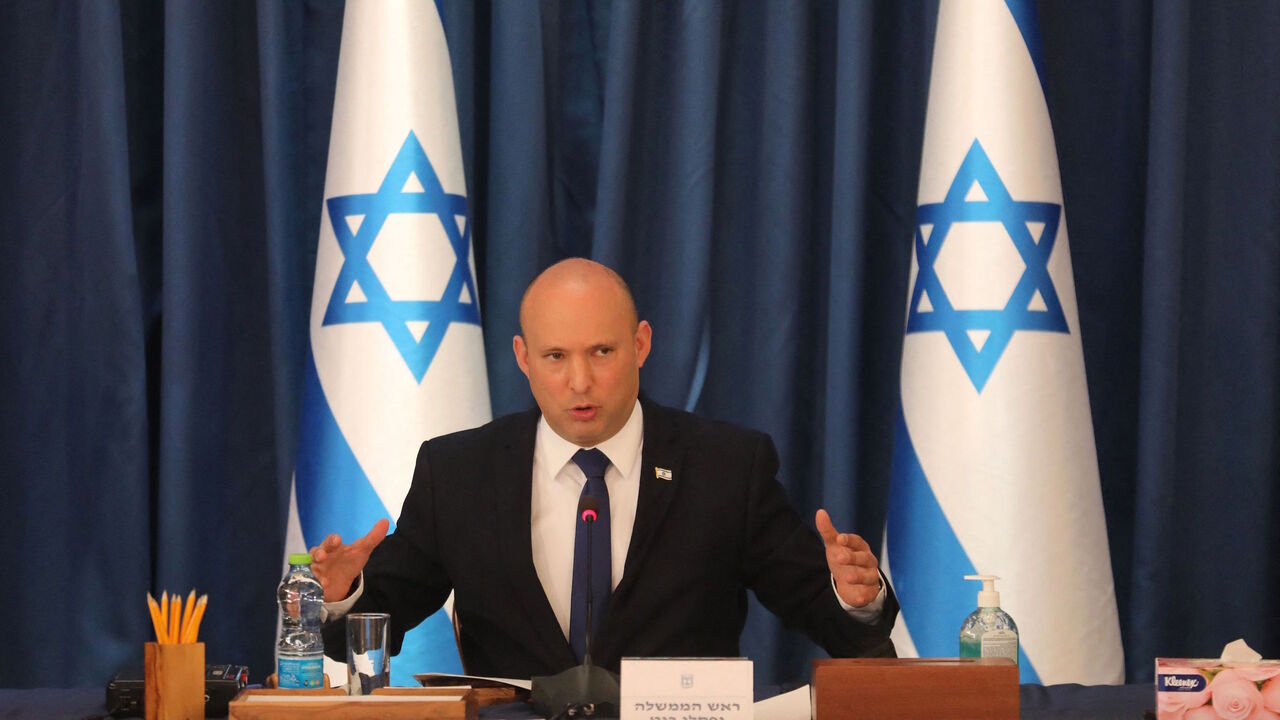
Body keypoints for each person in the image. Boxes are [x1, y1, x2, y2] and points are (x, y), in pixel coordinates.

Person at [314, 258, 896, 679]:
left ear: (640, 344)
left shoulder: (726, 467)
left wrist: (856, 596)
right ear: (522, 358)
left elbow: (841, 625)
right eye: (555, 357)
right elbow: (368, 633)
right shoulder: (459, 472)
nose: (580, 383)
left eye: (601, 352)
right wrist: (342, 597)